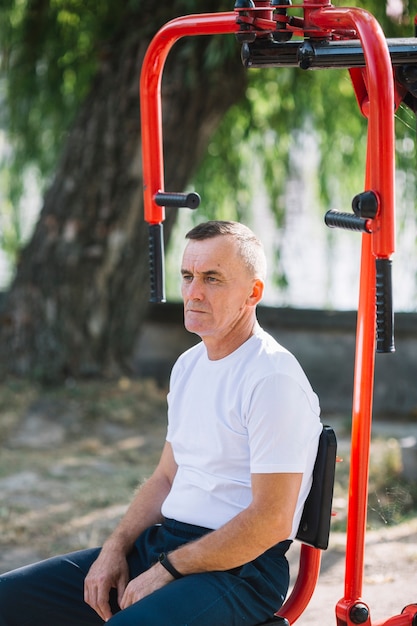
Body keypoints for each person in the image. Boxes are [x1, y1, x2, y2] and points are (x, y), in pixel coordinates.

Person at [0, 220, 322, 626]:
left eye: (212, 278)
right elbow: (165, 478)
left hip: (240, 572)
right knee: (6, 601)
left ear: (253, 292)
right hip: (165, 544)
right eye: (187, 276)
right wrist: (114, 548)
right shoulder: (188, 365)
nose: (193, 292)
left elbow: (270, 521)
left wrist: (166, 571)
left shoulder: (272, 378)